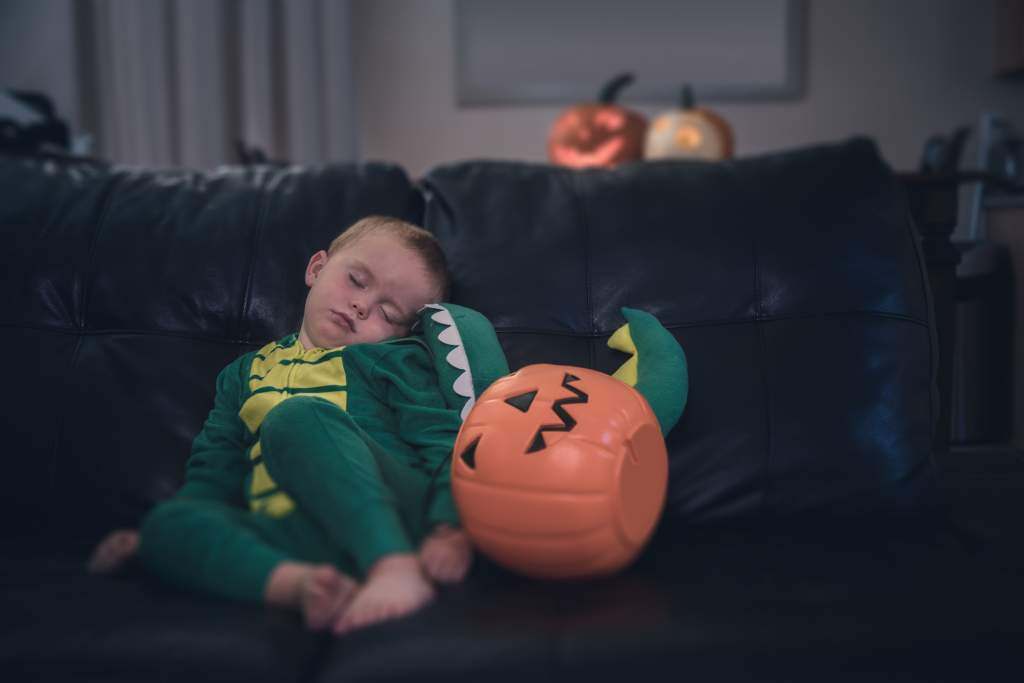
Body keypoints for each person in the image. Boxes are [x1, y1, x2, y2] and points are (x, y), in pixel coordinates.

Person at [91, 215, 472, 636]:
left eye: (387, 312)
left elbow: (446, 442)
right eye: (357, 281)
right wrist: (187, 517)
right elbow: (215, 468)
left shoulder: (393, 362)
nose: (363, 305)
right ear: (316, 268)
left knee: (296, 417)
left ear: (401, 333)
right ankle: (304, 586)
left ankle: (394, 566)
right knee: (167, 524)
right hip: (292, 536)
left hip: (394, 516)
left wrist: (450, 528)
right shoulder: (242, 374)